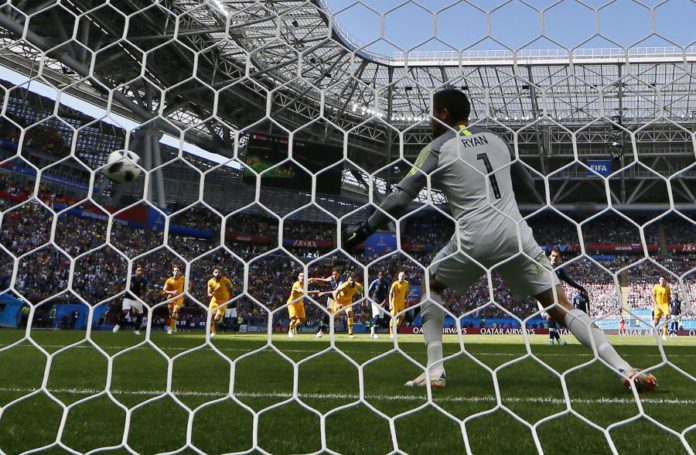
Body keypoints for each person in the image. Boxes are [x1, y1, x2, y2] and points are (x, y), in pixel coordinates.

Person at [343, 88, 656, 392]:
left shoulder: (437, 147)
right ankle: (624, 368)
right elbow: (528, 187)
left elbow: (400, 198)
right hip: (515, 233)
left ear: (443, 114)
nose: (429, 120)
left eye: (432, 114)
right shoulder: (497, 140)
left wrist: (364, 230)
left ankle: (435, 371)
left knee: (431, 284)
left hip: (474, 235)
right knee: (558, 305)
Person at [113, 265, 147, 335]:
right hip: (128, 298)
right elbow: (121, 284)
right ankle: (118, 324)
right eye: (139, 270)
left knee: (140, 314)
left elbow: (144, 290)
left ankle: (136, 329)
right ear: (135, 271)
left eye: (141, 271)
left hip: (137, 299)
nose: (140, 272)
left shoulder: (144, 280)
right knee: (125, 311)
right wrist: (118, 292)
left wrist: (142, 296)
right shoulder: (131, 278)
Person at [286, 272, 321, 337]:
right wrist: (314, 291)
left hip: (299, 302)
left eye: (303, 276)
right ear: (298, 277)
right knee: (293, 320)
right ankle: (290, 331)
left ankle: (294, 326)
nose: (302, 277)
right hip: (292, 303)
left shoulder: (305, 282)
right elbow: (303, 292)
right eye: (301, 276)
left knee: (302, 320)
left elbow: (313, 279)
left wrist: (325, 279)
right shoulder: (296, 285)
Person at [313, 269, 343, 338]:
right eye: (333, 274)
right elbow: (323, 281)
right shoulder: (331, 279)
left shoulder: (341, 282)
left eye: (335, 274)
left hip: (339, 300)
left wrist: (324, 293)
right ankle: (321, 331)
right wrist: (314, 279)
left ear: (339, 274)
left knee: (334, 316)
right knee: (328, 315)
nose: (334, 275)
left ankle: (330, 331)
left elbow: (335, 292)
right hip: (331, 299)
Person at [331, 274, 363, 338]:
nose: (351, 281)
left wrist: (363, 301)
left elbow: (363, 291)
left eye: (352, 280)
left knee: (350, 313)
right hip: (339, 301)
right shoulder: (344, 285)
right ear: (348, 280)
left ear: (355, 280)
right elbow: (334, 292)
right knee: (334, 316)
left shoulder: (358, 285)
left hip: (348, 302)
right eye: (350, 280)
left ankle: (350, 333)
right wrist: (337, 303)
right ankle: (324, 330)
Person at [207, 266, 233, 338]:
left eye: (219, 272)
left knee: (216, 319)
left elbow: (231, 289)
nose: (217, 273)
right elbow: (208, 293)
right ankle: (213, 332)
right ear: (213, 273)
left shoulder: (226, 280)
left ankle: (219, 317)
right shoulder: (210, 281)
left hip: (223, 301)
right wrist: (211, 294)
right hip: (214, 300)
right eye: (216, 272)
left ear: (221, 273)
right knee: (209, 316)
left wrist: (230, 298)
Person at [163, 265, 185, 335]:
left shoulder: (182, 278)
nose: (176, 272)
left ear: (179, 272)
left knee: (175, 311)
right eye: (175, 270)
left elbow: (190, 283)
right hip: (171, 298)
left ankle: (170, 329)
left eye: (178, 271)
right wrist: (171, 292)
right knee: (171, 314)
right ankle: (174, 325)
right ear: (173, 272)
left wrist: (187, 291)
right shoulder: (169, 280)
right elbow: (164, 290)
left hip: (179, 298)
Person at [367, 271, 389, 339]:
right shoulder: (374, 282)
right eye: (380, 275)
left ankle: (372, 328)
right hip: (375, 301)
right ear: (378, 276)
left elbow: (387, 295)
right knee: (376, 316)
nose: (381, 276)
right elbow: (368, 292)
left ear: (384, 276)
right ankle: (375, 333)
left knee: (380, 319)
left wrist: (383, 303)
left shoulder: (386, 283)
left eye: (382, 275)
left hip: (382, 302)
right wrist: (368, 301)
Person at [389, 271, 409, 339]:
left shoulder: (406, 283)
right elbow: (390, 294)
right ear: (398, 277)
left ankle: (395, 328)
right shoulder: (395, 284)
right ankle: (391, 333)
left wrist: (407, 301)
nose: (401, 277)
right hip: (394, 303)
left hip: (402, 303)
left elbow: (406, 293)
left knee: (402, 317)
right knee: (393, 317)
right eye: (400, 276)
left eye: (403, 276)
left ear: (404, 277)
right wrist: (390, 304)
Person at [652, 276, 671, 341]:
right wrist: (656, 304)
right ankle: (654, 329)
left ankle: (664, 334)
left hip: (665, 305)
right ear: (659, 281)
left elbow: (669, 297)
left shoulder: (667, 288)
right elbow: (653, 296)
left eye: (663, 280)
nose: (663, 281)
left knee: (666, 317)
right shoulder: (656, 287)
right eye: (661, 280)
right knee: (656, 321)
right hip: (658, 305)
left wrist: (669, 306)